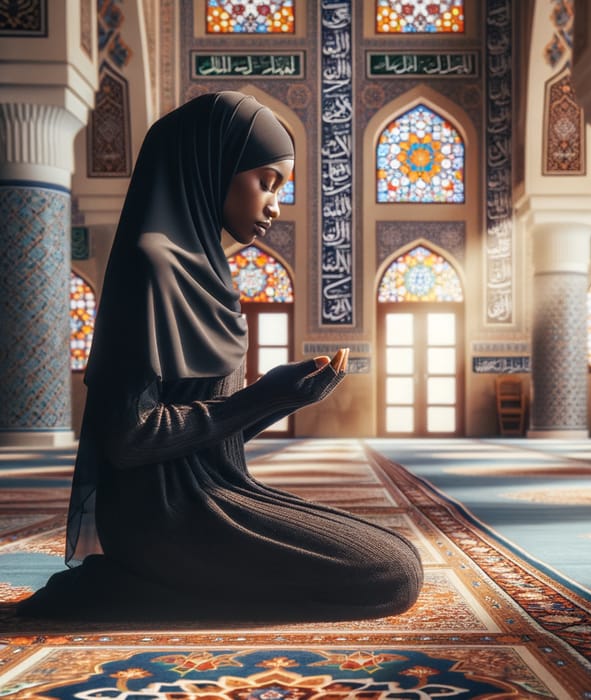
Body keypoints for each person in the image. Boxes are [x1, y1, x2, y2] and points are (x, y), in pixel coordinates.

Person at [18, 91, 423, 623]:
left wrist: (280, 400)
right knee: (389, 574)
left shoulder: (208, 272)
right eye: (267, 182)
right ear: (215, 165)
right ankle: (128, 586)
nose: (275, 204)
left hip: (213, 493)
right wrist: (262, 394)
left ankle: (148, 586)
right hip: (161, 519)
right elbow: (129, 437)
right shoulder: (151, 266)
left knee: (399, 558)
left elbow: (204, 439)